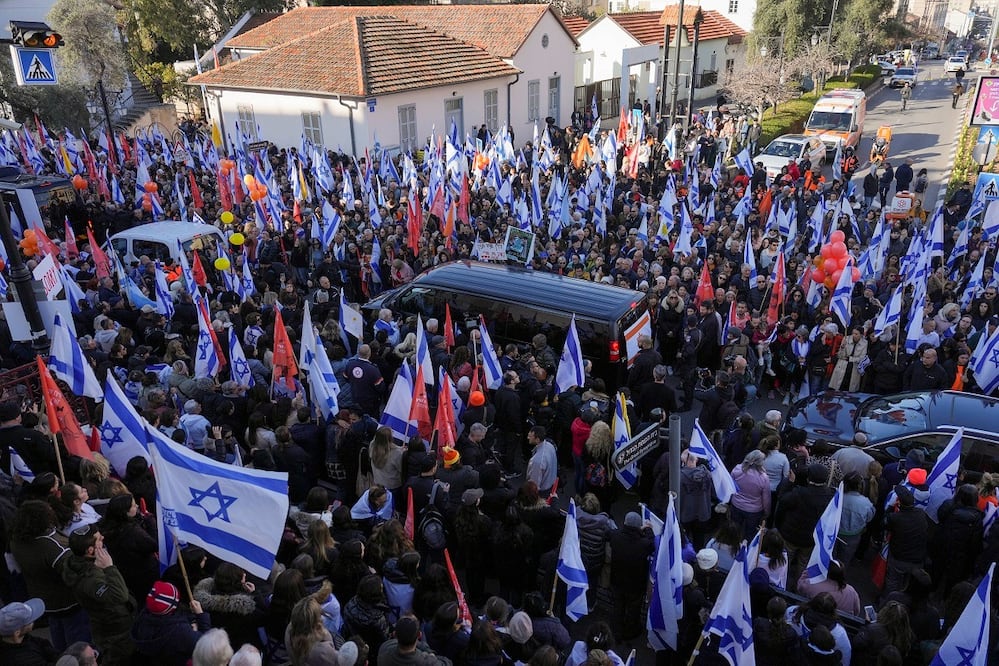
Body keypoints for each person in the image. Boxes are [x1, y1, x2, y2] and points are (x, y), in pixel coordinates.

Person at [61, 524, 137, 666]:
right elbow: (119, 596)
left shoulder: (78, 561)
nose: (103, 537)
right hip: (115, 631)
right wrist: (109, 568)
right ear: (90, 550)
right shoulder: (90, 579)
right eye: (98, 539)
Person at [131, 581, 212, 666]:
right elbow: (205, 645)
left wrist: (190, 618)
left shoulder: (143, 617)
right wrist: (200, 615)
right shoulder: (180, 631)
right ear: (172, 606)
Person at [608, 512, 654, 641]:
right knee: (633, 610)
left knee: (618, 607)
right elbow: (652, 544)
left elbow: (608, 535)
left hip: (617, 580)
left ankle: (616, 631)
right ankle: (630, 632)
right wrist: (649, 529)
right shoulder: (644, 543)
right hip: (635, 584)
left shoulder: (615, 536)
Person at [0, 598, 59, 666]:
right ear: (17, 633)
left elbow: (40, 643)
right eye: (30, 621)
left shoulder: (22, 638)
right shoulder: (26, 660)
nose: (33, 621)